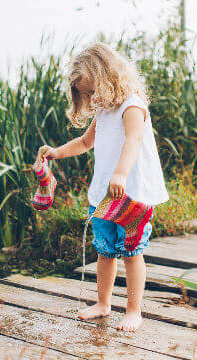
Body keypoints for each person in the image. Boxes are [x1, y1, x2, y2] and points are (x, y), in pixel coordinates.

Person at [38, 43, 169, 332]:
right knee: (105, 251)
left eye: (92, 90)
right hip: (104, 196)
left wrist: (121, 173)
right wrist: (56, 152)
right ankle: (103, 303)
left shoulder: (132, 105)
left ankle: (134, 310)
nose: (91, 98)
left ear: (108, 76)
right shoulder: (104, 112)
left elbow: (133, 141)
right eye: (87, 95)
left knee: (132, 252)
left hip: (131, 193)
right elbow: (86, 142)